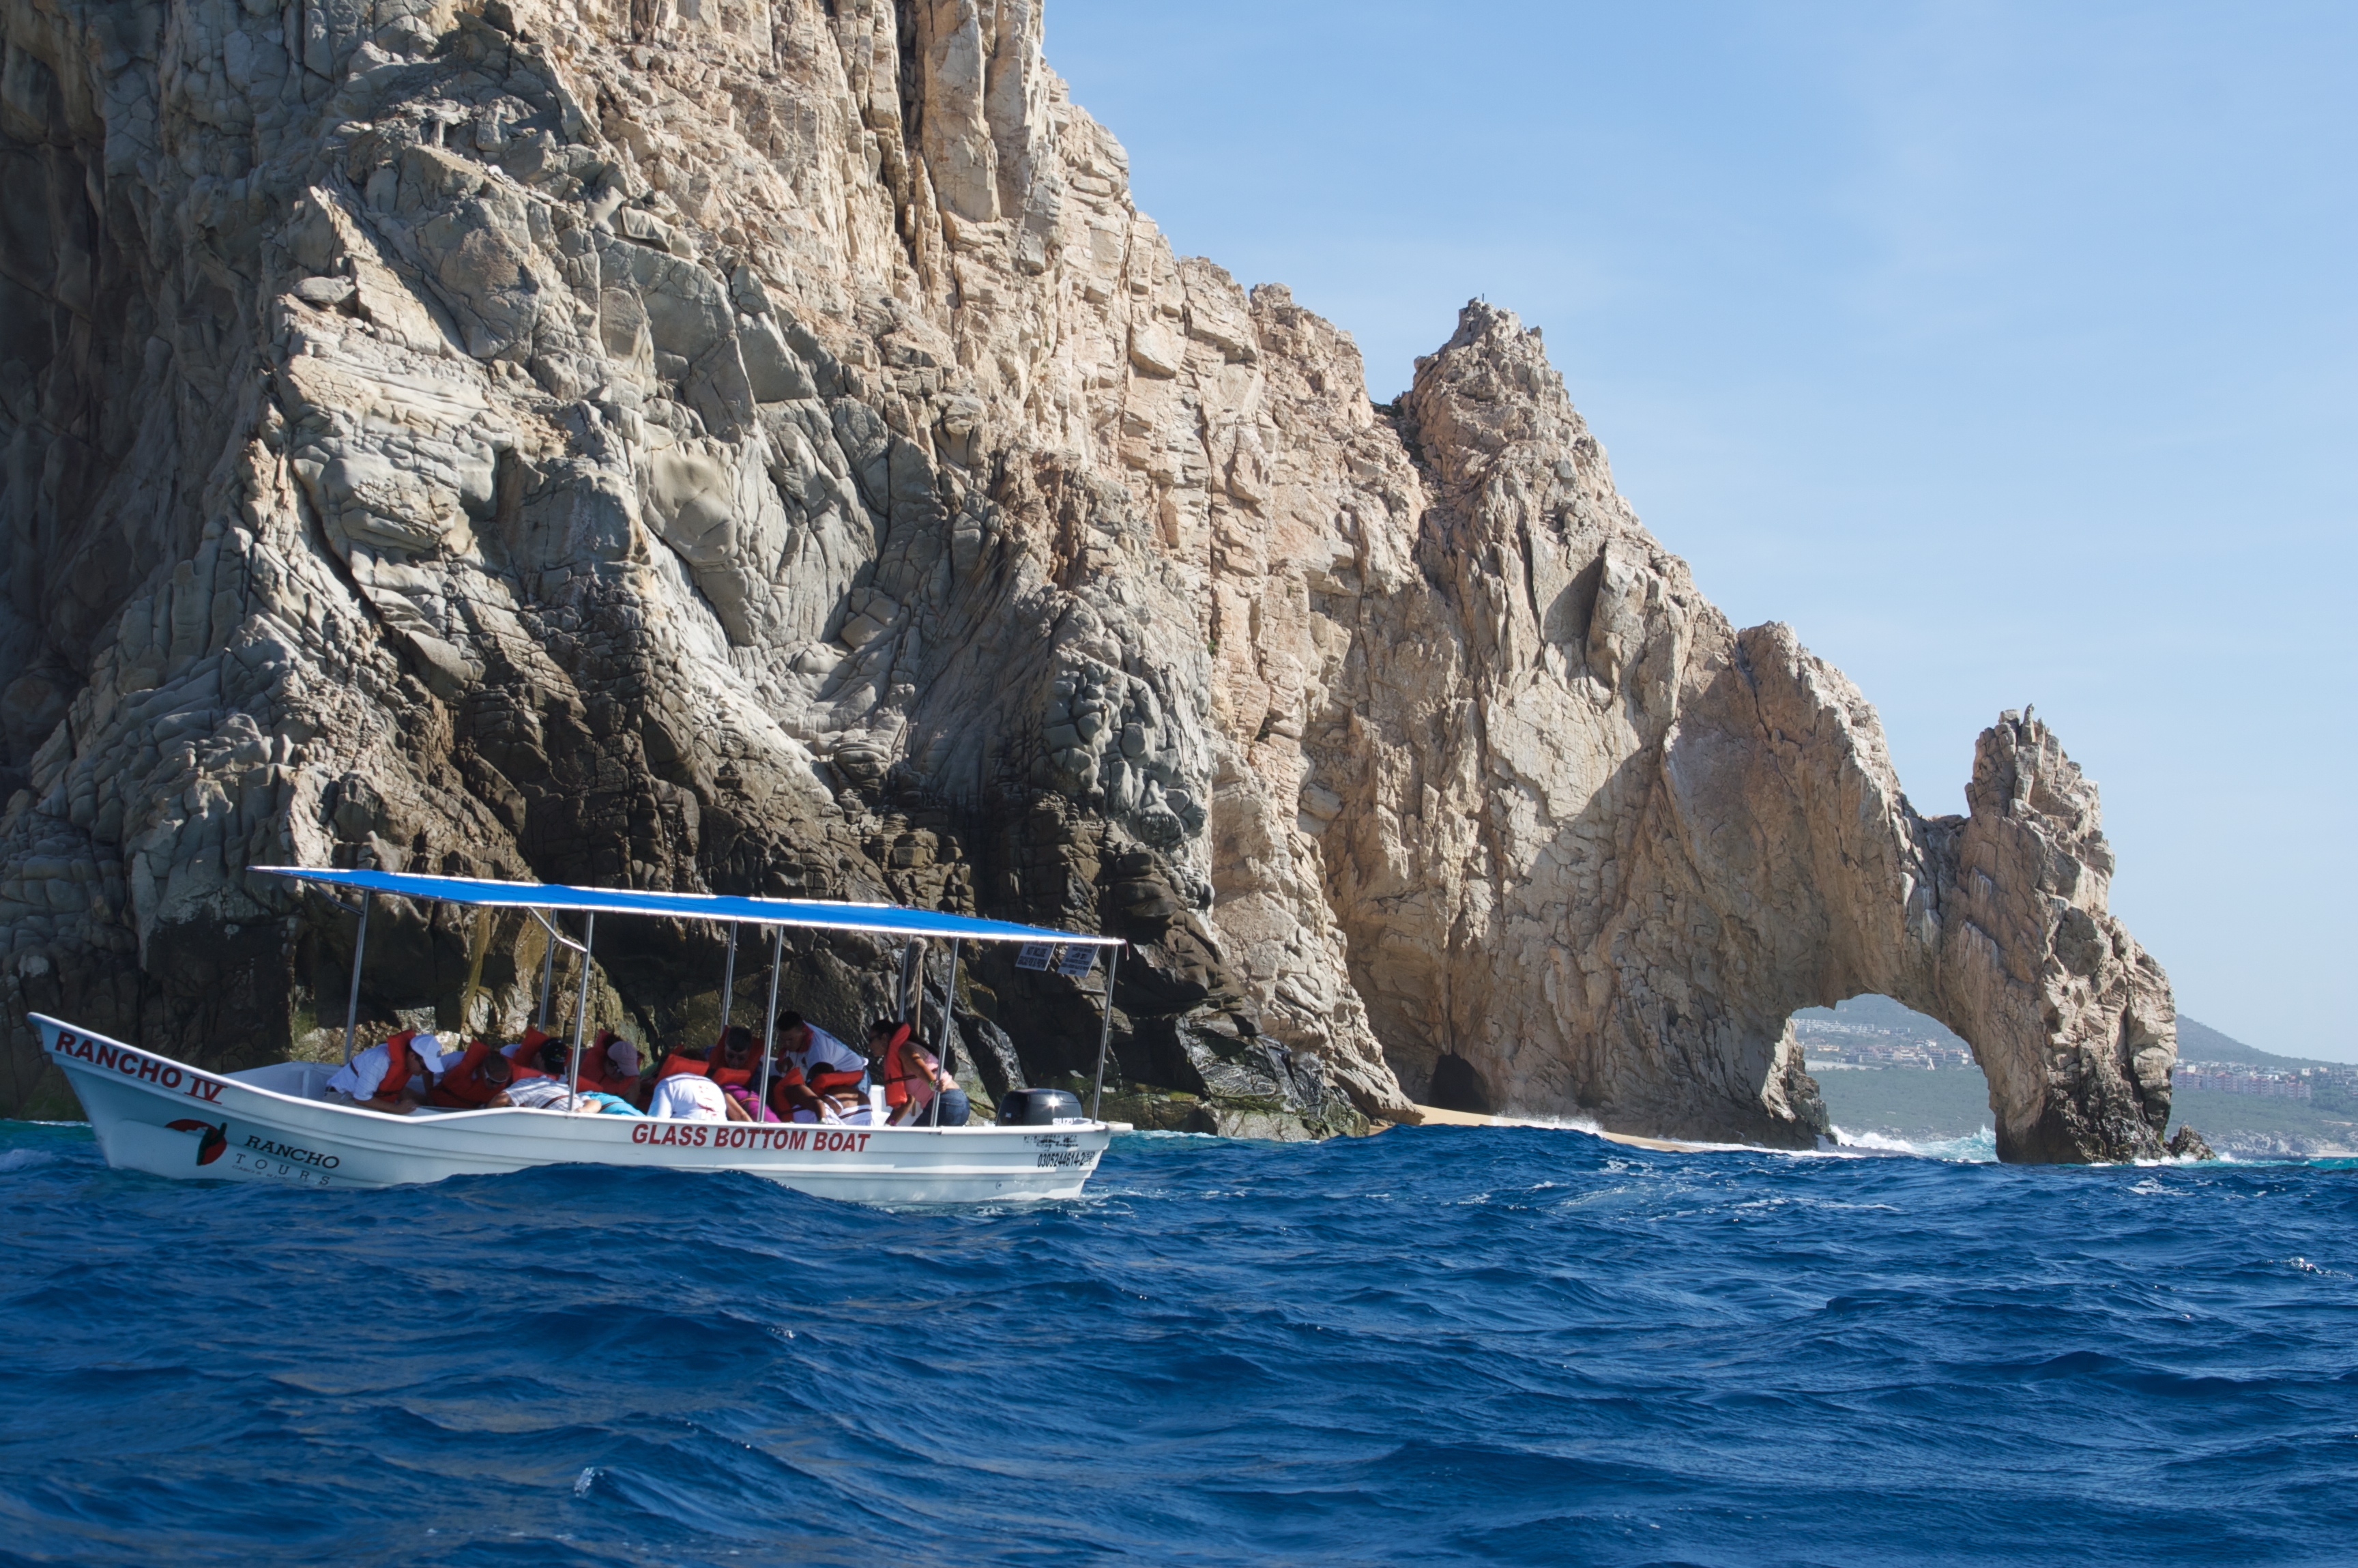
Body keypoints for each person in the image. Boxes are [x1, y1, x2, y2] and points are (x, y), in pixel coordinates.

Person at [325, 1030, 450, 1114]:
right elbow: (361, 1098)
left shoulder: (412, 1061)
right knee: (392, 1115)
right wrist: (396, 1109)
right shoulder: (379, 1061)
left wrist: (429, 1098)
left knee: (415, 1098)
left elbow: (427, 1073)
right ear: (412, 1056)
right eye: (425, 1067)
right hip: (342, 1097)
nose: (426, 1071)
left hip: (372, 1093)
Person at [646, 1045, 747, 1122]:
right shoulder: (716, 1087)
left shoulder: (668, 1083)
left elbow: (656, 1123)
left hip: (684, 1142)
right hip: (719, 1141)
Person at [885, 1038, 970, 1127]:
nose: (870, 1046)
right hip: (961, 1104)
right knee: (914, 1139)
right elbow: (907, 1101)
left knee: (911, 1140)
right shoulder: (899, 1059)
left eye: (871, 1040)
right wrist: (889, 1124)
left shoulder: (905, 1049)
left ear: (884, 1038)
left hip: (945, 1103)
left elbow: (920, 1070)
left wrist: (933, 1083)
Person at [428, 1039, 516, 1108]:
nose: (495, 1086)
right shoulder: (456, 1059)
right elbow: (429, 1070)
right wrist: (429, 1097)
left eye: (500, 1083)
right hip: (435, 1104)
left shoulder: (505, 1078)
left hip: (466, 1114)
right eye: (492, 1081)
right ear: (482, 1070)